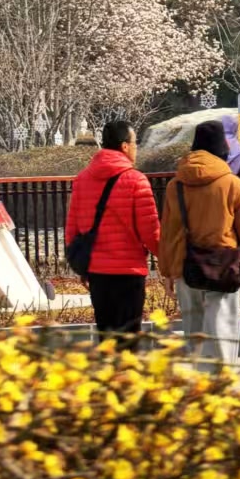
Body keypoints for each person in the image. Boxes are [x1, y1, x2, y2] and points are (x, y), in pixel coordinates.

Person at [160, 120, 240, 363]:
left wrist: (167, 272)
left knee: (195, 338)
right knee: (223, 336)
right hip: (223, 267)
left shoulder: (176, 186)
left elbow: (168, 232)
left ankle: (201, 382)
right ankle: (222, 381)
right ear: (222, 149)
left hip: (186, 268)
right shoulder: (232, 184)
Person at [65, 119, 160, 338]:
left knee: (107, 339)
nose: (136, 148)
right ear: (125, 146)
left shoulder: (82, 180)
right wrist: (167, 262)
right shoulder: (136, 180)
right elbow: (151, 231)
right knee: (128, 340)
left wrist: (81, 266)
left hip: (97, 273)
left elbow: (72, 229)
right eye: (135, 143)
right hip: (129, 272)